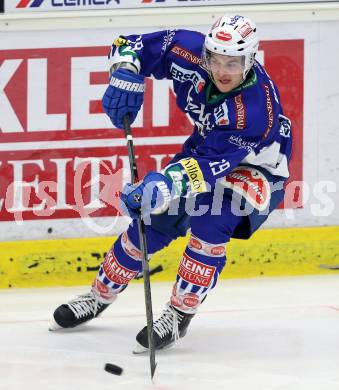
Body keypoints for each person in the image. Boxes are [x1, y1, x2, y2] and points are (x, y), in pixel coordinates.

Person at [50, 15, 292, 352]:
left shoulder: (253, 113)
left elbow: (206, 169)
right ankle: (98, 296)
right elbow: (129, 44)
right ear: (205, 53)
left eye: (233, 63)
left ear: (250, 61)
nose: (222, 70)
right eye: (215, 60)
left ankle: (179, 314)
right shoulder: (188, 48)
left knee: (210, 222)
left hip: (255, 168)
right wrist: (125, 73)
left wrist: (162, 184)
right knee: (149, 224)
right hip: (206, 147)